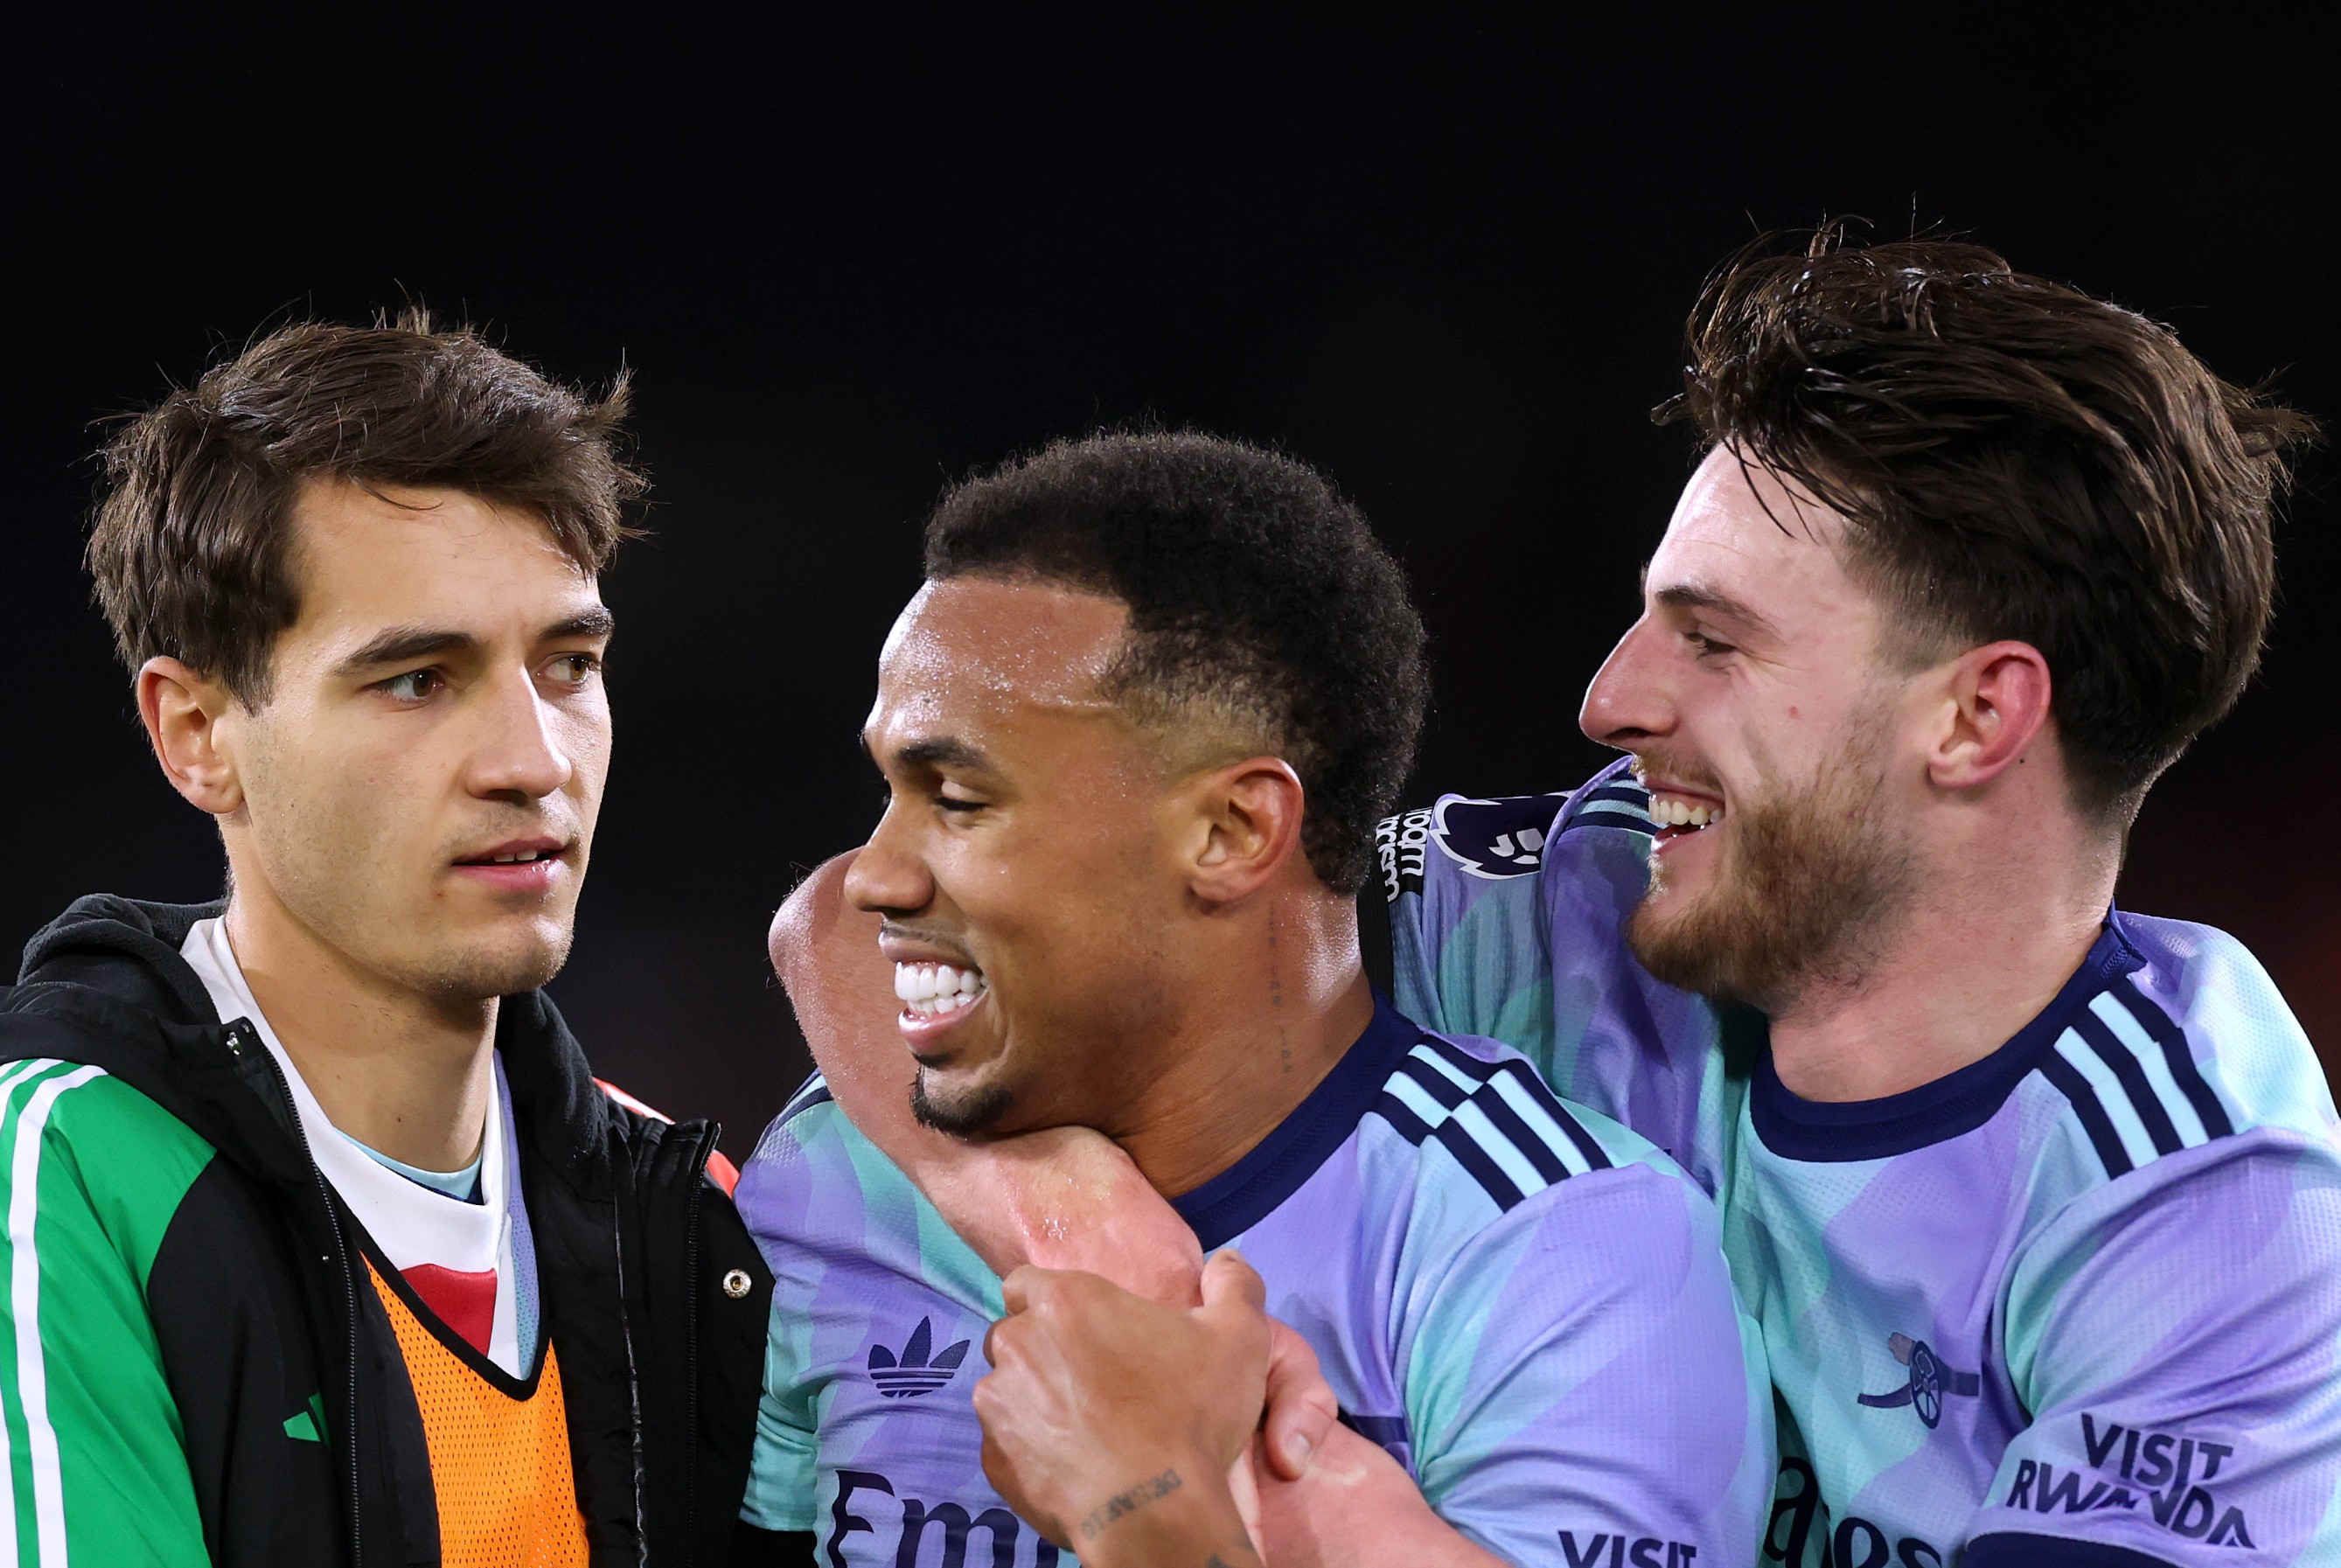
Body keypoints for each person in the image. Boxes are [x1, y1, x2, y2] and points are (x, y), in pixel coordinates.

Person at [801, 234, 2340, 1568]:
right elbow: (891, 921)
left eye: (1713, 641)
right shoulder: (1568, 898)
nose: (1609, 697)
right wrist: (1061, 1216)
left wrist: (1185, 1498)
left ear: (1974, 719)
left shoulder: (2204, 1208)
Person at [730, 432, 1773, 1567]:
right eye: (890, 787)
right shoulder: (831, 1171)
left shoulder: (1567, 1253)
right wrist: (1063, 1223)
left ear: (1231, 833)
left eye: (962, 798)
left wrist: (1146, 1507)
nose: (876, 871)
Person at [0, 315, 772, 1566]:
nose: (533, 762)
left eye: (569, 663)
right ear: (195, 729)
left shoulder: (682, 1215)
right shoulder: (58, 1174)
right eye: (418, 679)